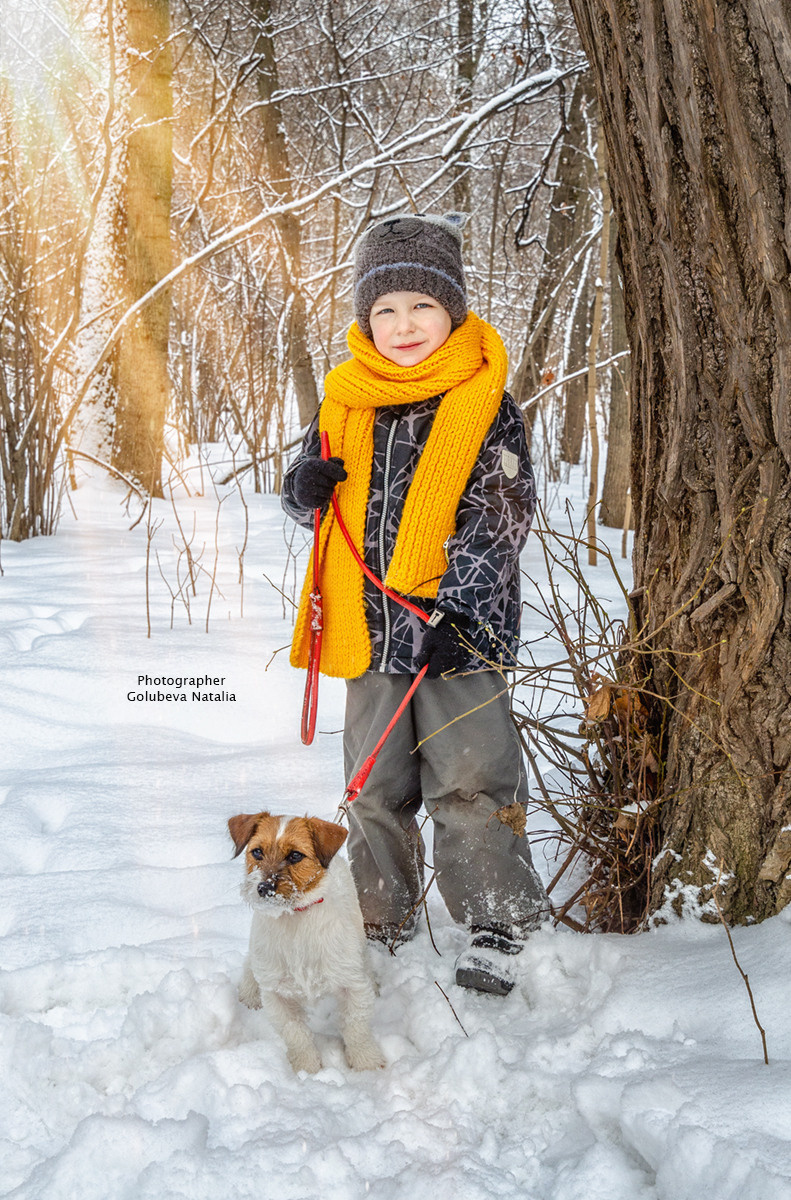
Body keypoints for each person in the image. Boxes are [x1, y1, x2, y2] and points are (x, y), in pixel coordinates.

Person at [281, 212, 549, 995]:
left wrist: (459, 609)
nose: (403, 325)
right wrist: (302, 494)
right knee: (373, 789)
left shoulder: (482, 401)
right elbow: (313, 504)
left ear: (452, 311)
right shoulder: (343, 401)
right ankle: (376, 916)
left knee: (470, 782)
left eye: (421, 307)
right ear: (366, 319)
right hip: (367, 634)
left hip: (456, 636)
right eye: (386, 309)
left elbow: (500, 515)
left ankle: (494, 918)